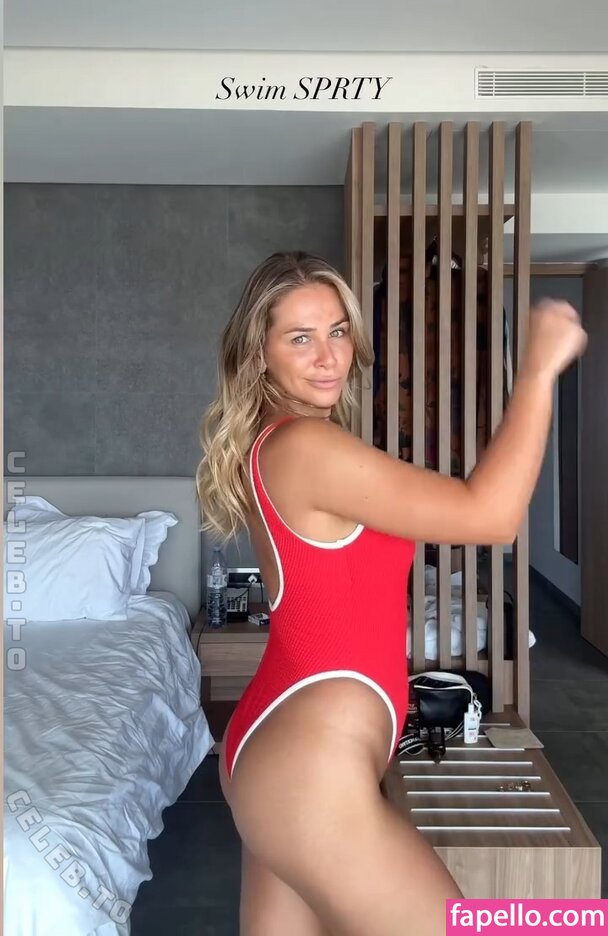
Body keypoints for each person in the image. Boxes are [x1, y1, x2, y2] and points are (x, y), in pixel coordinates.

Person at [196, 250, 587, 936]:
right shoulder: (307, 447)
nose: (328, 357)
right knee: (494, 927)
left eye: (338, 331)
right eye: (300, 337)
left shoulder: (275, 442)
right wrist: (537, 370)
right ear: (259, 353)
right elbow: (489, 516)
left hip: (277, 751)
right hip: (305, 774)